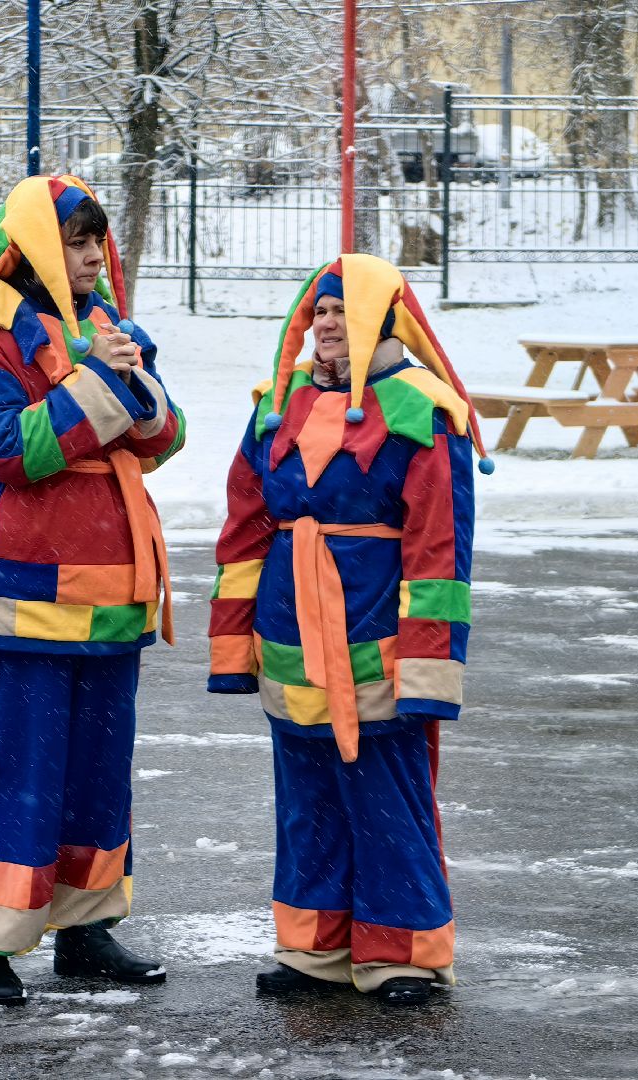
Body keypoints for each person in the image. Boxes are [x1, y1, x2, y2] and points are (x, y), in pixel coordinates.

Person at [207, 253, 492, 1006]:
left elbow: (440, 551)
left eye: (343, 311)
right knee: (305, 796)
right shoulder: (278, 401)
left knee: (385, 794)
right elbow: (243, 526)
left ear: (385, 318)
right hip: (288, 628)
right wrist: (236, 645)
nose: (328, 325)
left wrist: (429, 666)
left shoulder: (422, 410)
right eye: (319, 311)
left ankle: (403, 954)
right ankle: (315, 949)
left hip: (377, 631)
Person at [0, 174, 185, 1006]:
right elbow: (4, 450)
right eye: (76, 242)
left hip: (114, 595)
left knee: (96, 776)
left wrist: (135, 380)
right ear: (41, 245)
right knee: (18, 772)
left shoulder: (106, 324)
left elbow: (166, 436)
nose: (91, 257)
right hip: (22, 596)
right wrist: (104, 387)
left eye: (95, 241)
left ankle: (86, 930)